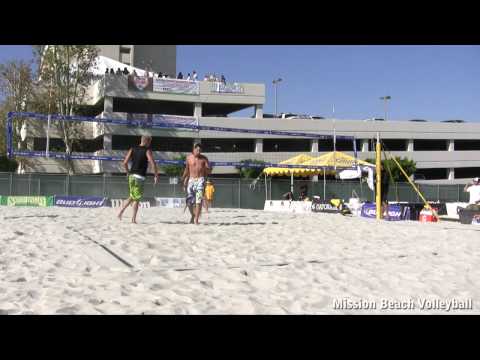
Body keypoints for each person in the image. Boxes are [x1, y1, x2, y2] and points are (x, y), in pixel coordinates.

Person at [117, 135, 159, 224]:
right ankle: (133, 219)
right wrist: (156, 175)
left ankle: (121, 212)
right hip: (140, 177)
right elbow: (152, 163)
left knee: (132, 196)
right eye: (150, 142)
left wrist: (128, 172)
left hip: (131, 176)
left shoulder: (132, 148)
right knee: (136, 199)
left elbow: (124, 163)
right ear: (147, 141)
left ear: (141, 140)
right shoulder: (147, 150)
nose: (150, 144)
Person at [182, 143, 211, 224]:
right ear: (193, 149)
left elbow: (209, 170)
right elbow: (186, 170)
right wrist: (183, 179)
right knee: (189, 201)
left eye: (200, 150)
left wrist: (208, 169)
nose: (199, 152)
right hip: (191, 180)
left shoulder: (204, 158)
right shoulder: (188, 158)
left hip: (200, 180)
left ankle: (196, 220)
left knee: (198, 200)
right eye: (197, 150)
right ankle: (193, 215)